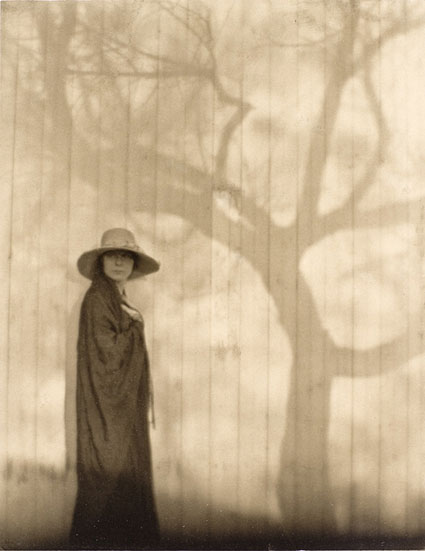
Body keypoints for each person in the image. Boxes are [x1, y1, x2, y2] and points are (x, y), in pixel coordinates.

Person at [70, 227, 160, 549]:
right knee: (108, 466)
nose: (119, 262)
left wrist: (133, 325)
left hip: (122, 406)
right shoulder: (99, 299)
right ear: (102, 261)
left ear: (133, 264)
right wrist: (135, 329)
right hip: (106, 407)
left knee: (125, 470)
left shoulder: (116, 298)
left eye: (126, 256)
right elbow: (107, 357)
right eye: (113, 255)